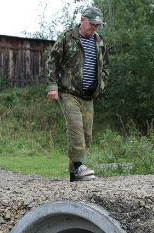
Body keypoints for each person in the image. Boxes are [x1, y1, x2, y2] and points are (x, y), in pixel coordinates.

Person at [46, 6, 109, 182]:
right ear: (82, 20)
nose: (95, 28)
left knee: (87, 134)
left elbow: (105, 67)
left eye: (98, 25)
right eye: (92, 24)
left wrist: (101, 85)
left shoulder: (99, 42)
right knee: (75, 128)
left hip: (88, 95)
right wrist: (52, 86)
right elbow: (52, 61)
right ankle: (79, 167)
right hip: (68, 92)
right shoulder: (68, 37)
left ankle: (75, 174)